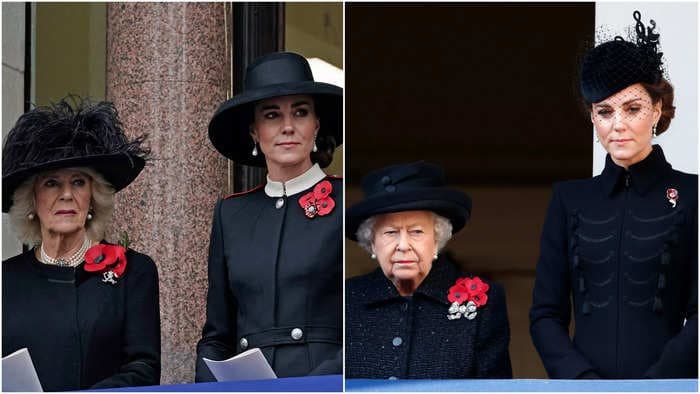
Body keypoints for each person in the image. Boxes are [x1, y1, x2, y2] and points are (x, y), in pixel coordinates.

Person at [530, 10, 697, 379]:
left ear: (656, 110)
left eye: (632, 108)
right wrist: (582, 383)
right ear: (592, 117)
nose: (617, 124)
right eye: (604, 111)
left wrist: (656, 386)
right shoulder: (568, 200)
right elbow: (545, 314)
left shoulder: (693, 194)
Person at [195, 52, 342, 380]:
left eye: (300, 112)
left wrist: (322, 383)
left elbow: (364, 315)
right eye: (272, 115)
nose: (288, 127)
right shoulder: (230, 214)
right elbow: (216, 336)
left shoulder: (347, 201)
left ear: (316, 125)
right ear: (254, 132)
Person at [1, 97, 160, 391]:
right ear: (32, 200)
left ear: (92, 198)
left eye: (78, 182)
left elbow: (144, 370)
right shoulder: (5, 280)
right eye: (51, 183)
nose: (66, 195)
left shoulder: (135, 272)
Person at [345, 161, 512, 379]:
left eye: (416, 231)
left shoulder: (485, 302)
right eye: (390, 233)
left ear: (437, 239)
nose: (403, 245)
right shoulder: (347, 298)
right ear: (372, 243)